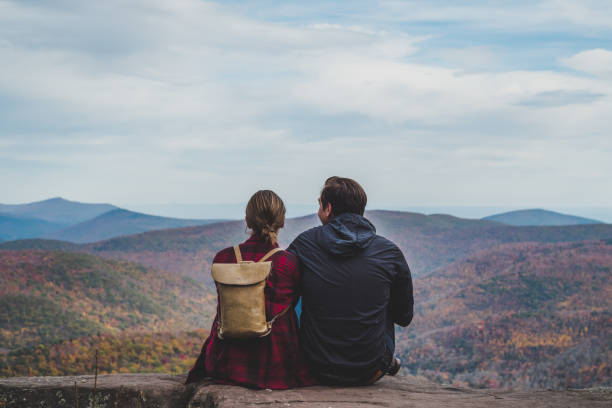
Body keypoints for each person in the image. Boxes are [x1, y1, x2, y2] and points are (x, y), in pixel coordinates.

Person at [288, 177, 414, 385]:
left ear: (328, 208)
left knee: (298, 289)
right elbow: (404, 316)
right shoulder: (389, 252)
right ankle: (380, 358)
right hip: (370, 370)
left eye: (319, 204)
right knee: (380, 294)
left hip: (314, 365)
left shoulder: (304, 245)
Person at [186, 190, 316, 389]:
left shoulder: (223, 258)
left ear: (247, 221)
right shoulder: (289, 263)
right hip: (276, 364)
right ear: (282, 223)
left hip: (226, 361)